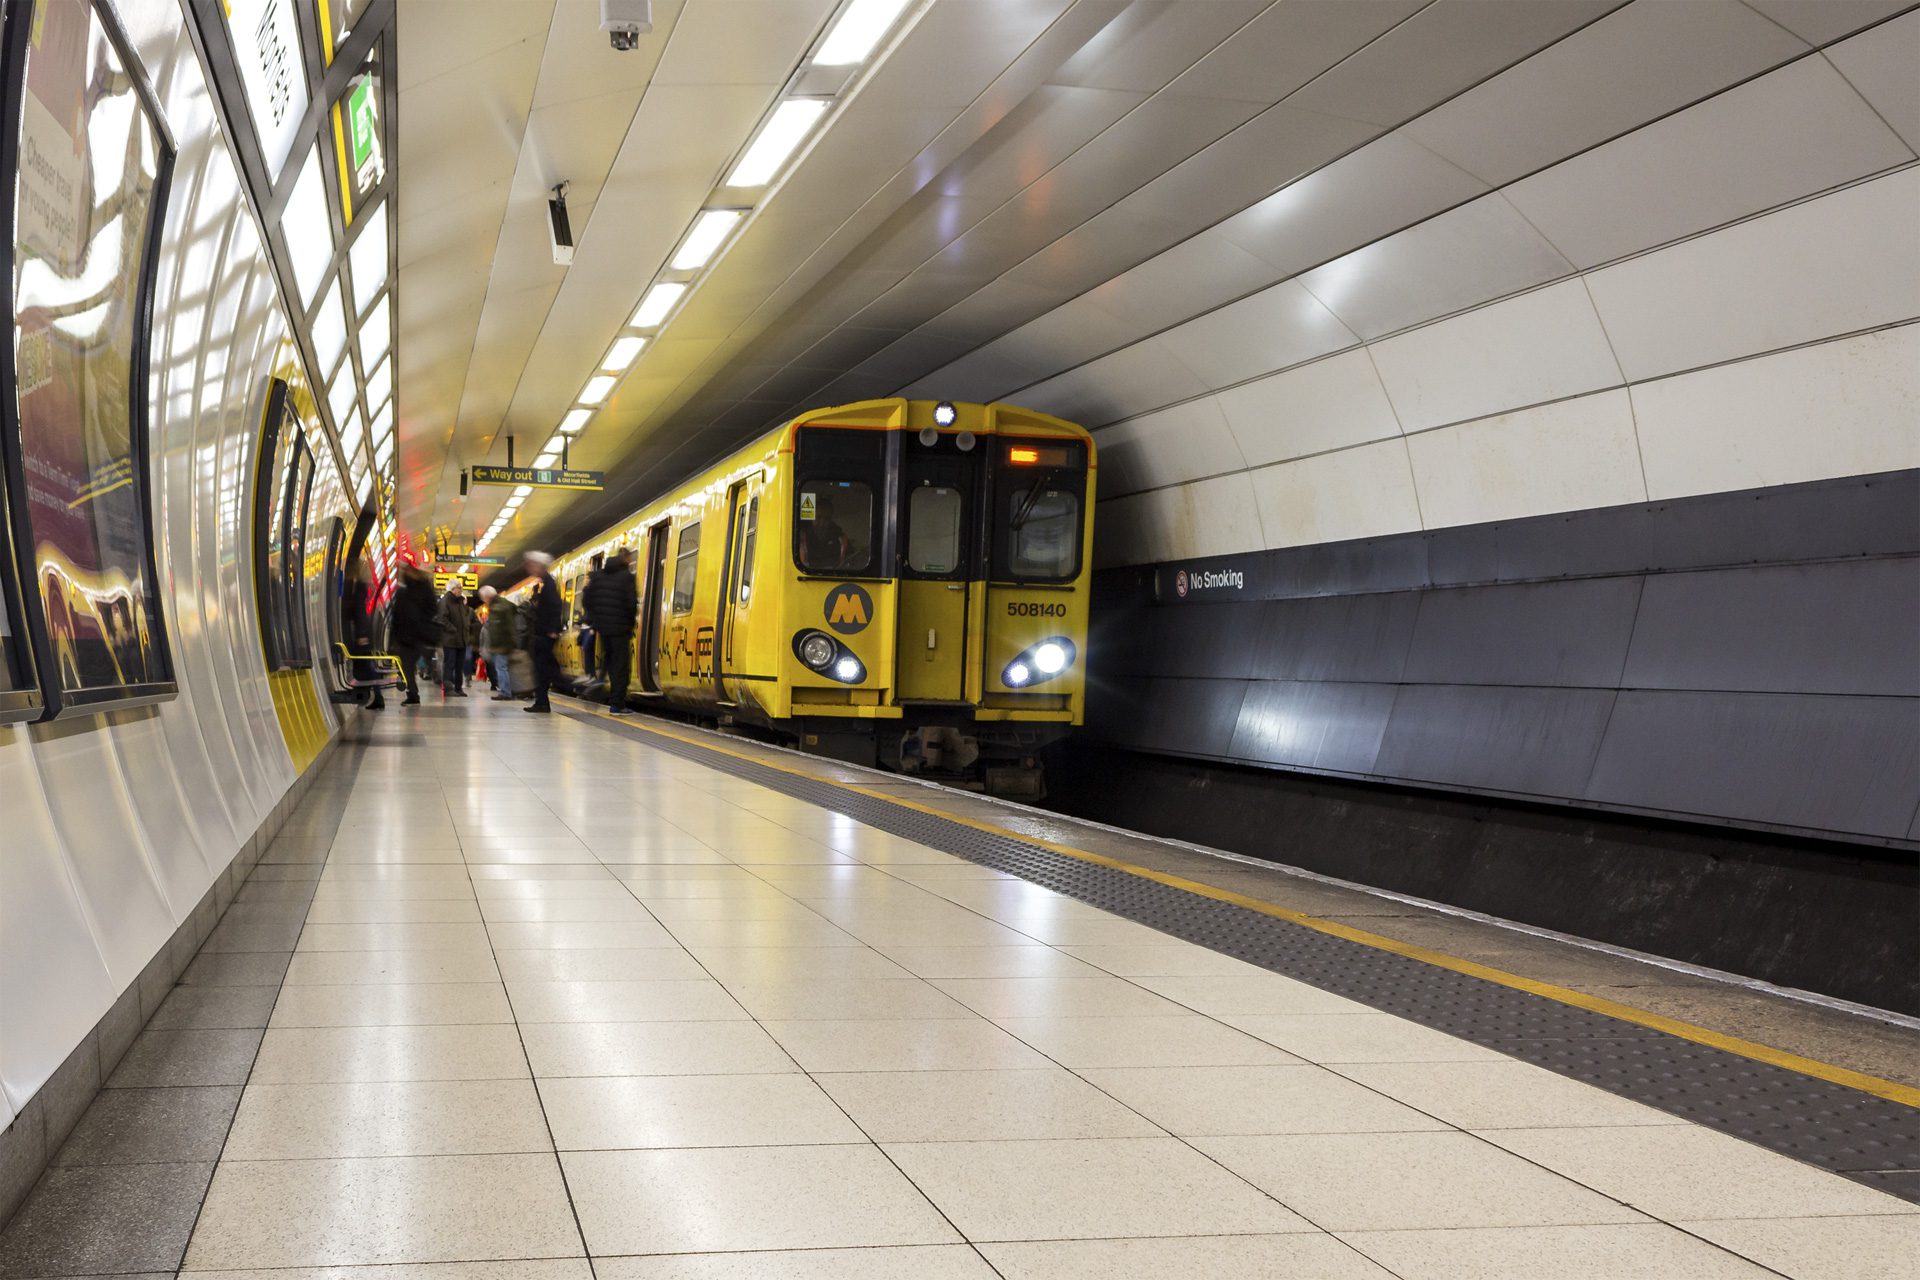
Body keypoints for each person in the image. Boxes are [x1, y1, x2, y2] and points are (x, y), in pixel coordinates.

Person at [581, 545, 639, 713]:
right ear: (626, 560)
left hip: (603, 629)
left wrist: (597, 618)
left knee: (608, 660)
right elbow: (631, 604)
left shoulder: (598, 576)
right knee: (620, 667)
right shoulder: (627, 577)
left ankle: (600, 680)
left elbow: (587, 600)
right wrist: (629, 623)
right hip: (621, 629)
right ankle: (617, 704)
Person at [389, 566, 439, 706]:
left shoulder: (417, 591)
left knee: (408, 667)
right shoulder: (405, 592)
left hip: (415, 636)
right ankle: (413, 693)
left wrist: (421, 622)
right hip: (410, 637)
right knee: (406, 667)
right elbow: (396, 617)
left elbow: (432, 609)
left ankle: (414, 693)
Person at [524, 551, 564, 714]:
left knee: (543, 669)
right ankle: (542, 701)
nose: (530, 568)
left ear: (539, 565)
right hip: (543, 633)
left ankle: (543, 701)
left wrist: (553, 629)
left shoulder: (548, 584)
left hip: (545, 634)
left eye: (532, 564)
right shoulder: (545, 583)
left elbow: (555, 606)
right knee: (544, 668)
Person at [342, 559, 384, 711]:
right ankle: (374, 696)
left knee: (365, 666)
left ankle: (375, 697)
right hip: (364, 631)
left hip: (362, 634)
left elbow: (359, 610)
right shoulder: (363, 586)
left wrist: (361, 634)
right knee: (367, 666)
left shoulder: (358, 587)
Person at [478, 585, 518, 701]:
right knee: (506, 668)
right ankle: (511, 691)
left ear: (487, 597)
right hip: (508, 643)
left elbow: (496, 629)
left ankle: (505, 693)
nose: (483, 601)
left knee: (501, 668)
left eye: (483, 598)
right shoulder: (505, 603)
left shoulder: (497, 608)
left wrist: (494, 646)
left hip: (502, 645)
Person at [435, 580, 471, 696]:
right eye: (459, 587)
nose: (461, 589)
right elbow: (442, 619)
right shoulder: (445, 601)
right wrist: (453, 629)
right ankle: (448, 689)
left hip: (462, 639)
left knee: (459, 665)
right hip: (450, 639)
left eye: (461, 587)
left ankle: (458, 688)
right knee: (449, 664)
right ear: (452, 589)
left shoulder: (460, 602)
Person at [802, 491, 851, 571]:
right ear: (812, 517)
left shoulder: (841, 539)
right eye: (818, 517)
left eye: (826, 518)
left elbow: (849, 561)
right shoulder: (800, 537)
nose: (822, 522)